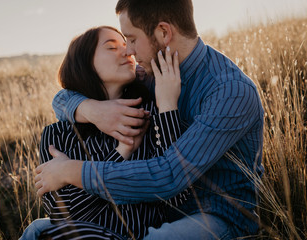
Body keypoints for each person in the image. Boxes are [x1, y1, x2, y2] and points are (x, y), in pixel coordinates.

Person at [35, 0, 265, 239]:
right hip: (159, 211)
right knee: (37, 229)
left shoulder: (230, 91)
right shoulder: (149, 72)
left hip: (218, 215)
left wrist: (72, 171)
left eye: (131, 39)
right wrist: (91, 109)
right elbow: (66, 93)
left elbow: (169, 176)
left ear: (164, 32)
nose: (129, 51)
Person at [23, 25, 189, 240]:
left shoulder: (150, 116)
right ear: (84, 64)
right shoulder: (57, 135)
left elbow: (178, 196)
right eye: (111, 48)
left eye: (126, 45)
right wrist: (121, 152)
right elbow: (63, 217)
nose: (127, 52)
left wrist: (167, 106)